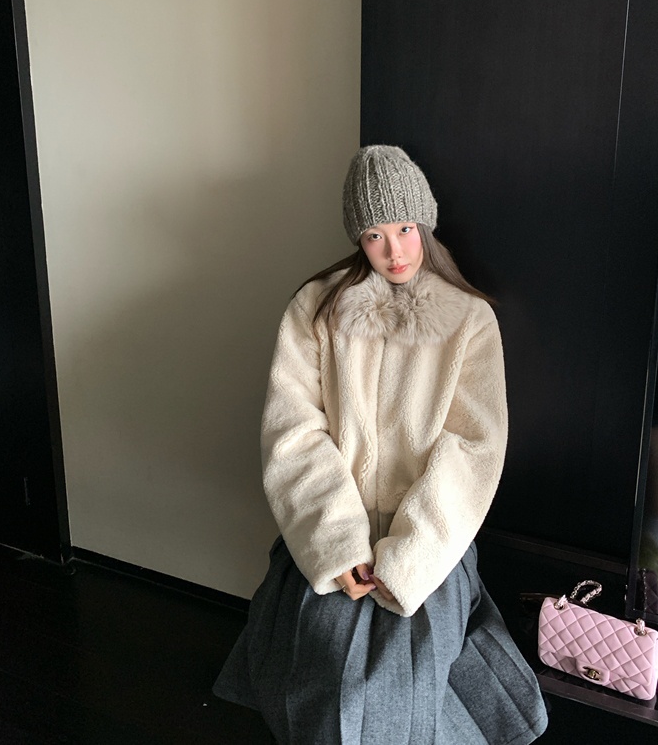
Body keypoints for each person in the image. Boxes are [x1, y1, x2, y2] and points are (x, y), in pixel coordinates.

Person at [214, 145, 548, 744]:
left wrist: (410, 558)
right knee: (319, 656)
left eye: (404, 228)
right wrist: (337, 545)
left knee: (404, 678)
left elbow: (473, 448)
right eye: (374, 235)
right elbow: (293, 429)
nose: (394, 251)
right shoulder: (317, 309)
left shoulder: (470, 319)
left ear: (425, 223)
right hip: (328, 530)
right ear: (357, 239)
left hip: (427, 540)